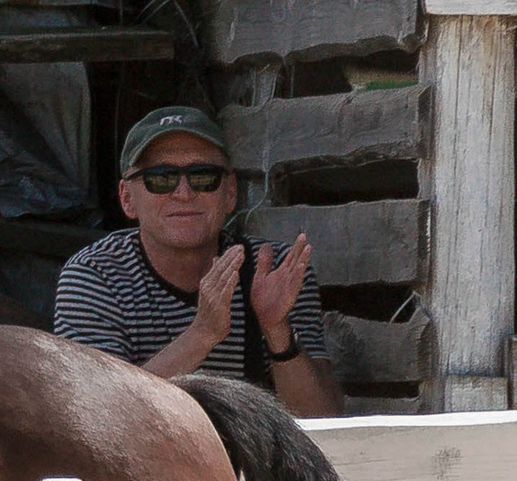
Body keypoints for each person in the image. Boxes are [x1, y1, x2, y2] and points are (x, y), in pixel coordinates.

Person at [53, 105, 346, 420]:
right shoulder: (95, 275)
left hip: (246, 450)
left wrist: (277, 330)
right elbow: (97, 414)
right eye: (161, 178)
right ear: (127, 198)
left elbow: (321, 421)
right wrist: (203, 333)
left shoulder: (273, 271)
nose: (183, 192)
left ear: (230, 192)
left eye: (203, 176)